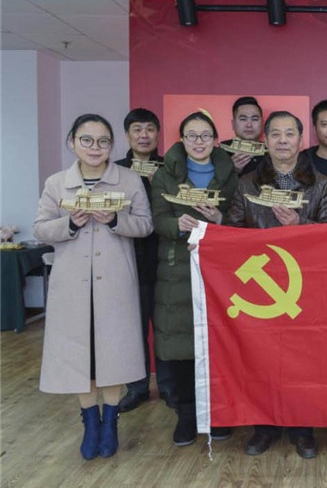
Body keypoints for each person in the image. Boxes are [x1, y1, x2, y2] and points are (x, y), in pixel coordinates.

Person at [33, 113, 153, 460]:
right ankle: (90, 420)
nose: (95, 147)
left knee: (113, 353)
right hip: (72, 285)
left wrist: (116, 219)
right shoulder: (57, 183)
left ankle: (111, 419)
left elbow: (145, 225)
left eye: (103, 141)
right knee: (79, 355)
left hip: (115, 283)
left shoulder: (128, 180)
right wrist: (69, 224)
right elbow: (40, 228)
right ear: (72, 142)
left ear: (111, 145)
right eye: (87, 140)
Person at [226, 110, 327, 459]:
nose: (283, 140)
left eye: (290, 134)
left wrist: (299, 224)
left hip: (304, 286)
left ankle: (303, 428)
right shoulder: (246, 184)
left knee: (303, 361)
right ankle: (265, 427)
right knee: (260, 359)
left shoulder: (321, 184)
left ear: (302, 140)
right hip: (260, 287)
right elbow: (232, 233)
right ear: (266, 140)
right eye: (275, 134)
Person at [150, 111, 238, 447]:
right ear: (181, 139)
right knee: (181, 347)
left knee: (219, 344)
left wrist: (219, 218)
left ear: (215, 139)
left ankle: (218, 413)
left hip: (220, 270)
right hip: (176, 268)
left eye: (205, 135)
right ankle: (186, 415)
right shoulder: (164, 174)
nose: (198, 142)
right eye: (191, 135)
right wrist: (177, 225)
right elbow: (157, 219)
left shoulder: (230, 173)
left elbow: (239, 219)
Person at [115, 108, 175, 413]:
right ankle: (137, 387)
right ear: (127, 135)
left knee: (165, 327)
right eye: (137, 130)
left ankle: (168, 387)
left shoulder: (170, 168)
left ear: (158, 134)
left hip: (165, 259)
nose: (144, 135)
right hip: (127, 260)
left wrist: (160, 185)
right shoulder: (116, 171)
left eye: (150, 129)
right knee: (132, 328)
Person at [221, 96, 265, 176]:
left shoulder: (271, 152)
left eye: (254, 119)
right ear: (233, 124)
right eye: (243, 119)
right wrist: (230, 170)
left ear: (262, 123)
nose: (249, 125)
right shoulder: (220, 151)